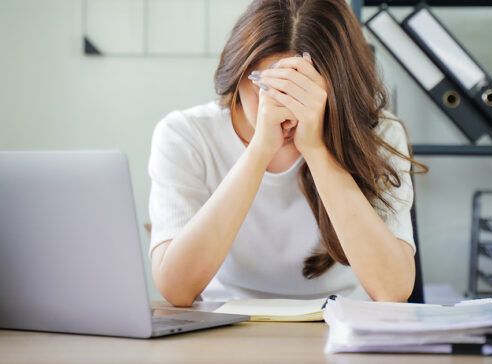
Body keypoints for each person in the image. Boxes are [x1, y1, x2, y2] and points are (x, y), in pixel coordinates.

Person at [148, 0, 428, 306]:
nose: (283, 109)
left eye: (302, 91)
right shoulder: (186, 135)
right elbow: (176, 288)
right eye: (266, 88)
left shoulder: (380, 134)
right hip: (225, 321)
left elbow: (393, 290)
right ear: (238, 75)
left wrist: (317, 150)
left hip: (343, 322)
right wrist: (259, 151)